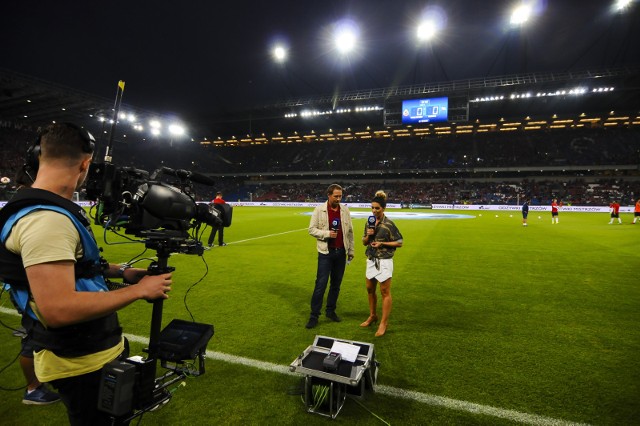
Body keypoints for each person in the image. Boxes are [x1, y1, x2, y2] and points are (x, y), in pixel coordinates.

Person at [0, 123, 172, 425]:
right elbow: (58, 309)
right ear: (85, 163)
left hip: (88, 351)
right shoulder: (47, 220)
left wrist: (122, 272)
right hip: (79, 362)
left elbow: (75, 265)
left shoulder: (48, 209)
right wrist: (139, 291)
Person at [306, 184, 355, 329]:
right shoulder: (319, 210)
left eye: (340, 196)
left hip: (341, 253)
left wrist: (351, 250)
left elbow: (350, 232)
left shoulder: (345, 210)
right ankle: (314, 315)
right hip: (325, 253)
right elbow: (311, 230)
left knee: (336, 285)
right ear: (329, 195)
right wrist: (327, 234)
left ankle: (330, 311)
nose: (339, 199)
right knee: (320, 285)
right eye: (336, 196)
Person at [361, 191, 403, 337]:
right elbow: (364, 242)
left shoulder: (389, 224)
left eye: (377, 208)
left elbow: (399, 242)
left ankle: (384, 323)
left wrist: (382, 243)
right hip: (371, 259)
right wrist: (369, 235)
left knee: (384, 292)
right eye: (372, 207)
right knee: (369, 290)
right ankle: (373, 316)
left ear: (383, 209)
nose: (374, 210)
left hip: (384, 260)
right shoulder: (369, 222)